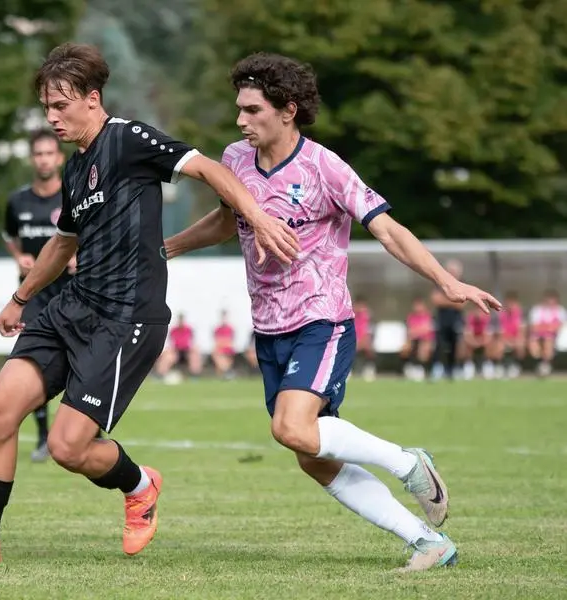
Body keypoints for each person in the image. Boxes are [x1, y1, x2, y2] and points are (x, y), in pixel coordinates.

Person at [0, 43, 299, 568]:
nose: (51, 118)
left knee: (70, 449)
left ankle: (141, 485)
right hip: (70, 308)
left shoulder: (129, 138)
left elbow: (208, 168)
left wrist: (259, 216)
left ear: (92, 99)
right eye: (46, 108)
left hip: (126, 318)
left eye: (60, 105)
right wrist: (20, 298)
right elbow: (63, 244)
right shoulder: (75, 171)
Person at [163, 52, 500, 572]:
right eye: (239, 109)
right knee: (312, 456)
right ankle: (428, 543)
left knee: (292, 429)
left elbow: (386, 228)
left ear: (287, 110)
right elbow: (227, 221)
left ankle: (409, 463)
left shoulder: (324, 167)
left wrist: (445, 280)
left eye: (252, 110)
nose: (240, 121)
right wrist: (167, 248)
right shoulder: (233, 159)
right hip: (269, 327)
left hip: (322, 321)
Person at [2, 129, 76, 462]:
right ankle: (44, 437)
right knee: (33, 360)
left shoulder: (73, 195)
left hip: (73, 291)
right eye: (38, 154)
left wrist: (78, 256)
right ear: (32, 159)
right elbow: (9, 236)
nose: (44, 159)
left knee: (79, 361)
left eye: (50, 153)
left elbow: (90, 234)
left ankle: (85, 430)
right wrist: (19, 258)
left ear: (59, 158)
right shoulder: (18, 201)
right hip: (36, 295)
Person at [430, 260, 467, 381]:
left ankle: (450, 370)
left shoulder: (462, 284)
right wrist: (453, 300)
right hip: (442, 319)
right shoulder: (439, 284)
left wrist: (446, 300)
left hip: (455, 319)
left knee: (454, 345)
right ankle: (436, 368)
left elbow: (461, 305)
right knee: (439, 344)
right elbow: (436, 300)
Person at [527, 289, 566, 377]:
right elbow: (534, 327)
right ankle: (541, 364)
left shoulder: (561, 311)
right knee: (534, 344)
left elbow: (559, 327)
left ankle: (544, 365)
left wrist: (546, 328)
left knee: (548, 341)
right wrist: (549, 327)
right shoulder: (537, 310)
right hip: (538, 336)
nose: (550, 302)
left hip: (554, 338)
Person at [155, 313, 203, 380]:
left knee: (194, 356)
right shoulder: (173, 330)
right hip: (176, 351)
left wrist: (194, 348)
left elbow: (193, 341)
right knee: (167, 357)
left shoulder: (189, 329)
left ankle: (195, 376)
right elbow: (169, 342)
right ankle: (160, 375)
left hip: (187, 351)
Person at [401, 296, 435, 381]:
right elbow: (410, 332)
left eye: (419, 305)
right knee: (405, 348)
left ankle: (423, 370)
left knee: (423, 348)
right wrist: (419, 331)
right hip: (414, 340)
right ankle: (409, 368)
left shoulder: (428, 316)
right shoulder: (411, 317)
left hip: (426, 340)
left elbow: (427, 330)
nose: (417, 307)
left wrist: (417, 331)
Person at [497, 291, 526, 379]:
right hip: (504, 339)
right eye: (508, 303)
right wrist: (506, 340)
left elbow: (522, 331)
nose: (510, 305)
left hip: (515, 339)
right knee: (499, 345)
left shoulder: (520, 314)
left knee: (520, 344)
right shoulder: (501, 315)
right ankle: (499, 366)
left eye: (512, 303)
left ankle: (515, 366)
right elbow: (500, 332)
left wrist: (514, 340)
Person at [352, 296, 376, 381]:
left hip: (364, 341)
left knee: (368, 345)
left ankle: (369, 368)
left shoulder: (368, 318)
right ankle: (348, 370)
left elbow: (369, 333)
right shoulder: (351, 317)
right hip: (353, 341)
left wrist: (362, 341)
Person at [211, 310, 237, 379]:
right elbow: (217, 342)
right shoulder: (217, 329)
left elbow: (230, 343)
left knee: (220, 356)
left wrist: (222, 342)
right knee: (217, 354)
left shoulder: (231, 328)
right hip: (220, 351)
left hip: (228, 351)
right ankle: (227, 372)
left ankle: (226, 373)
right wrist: (224, 342)